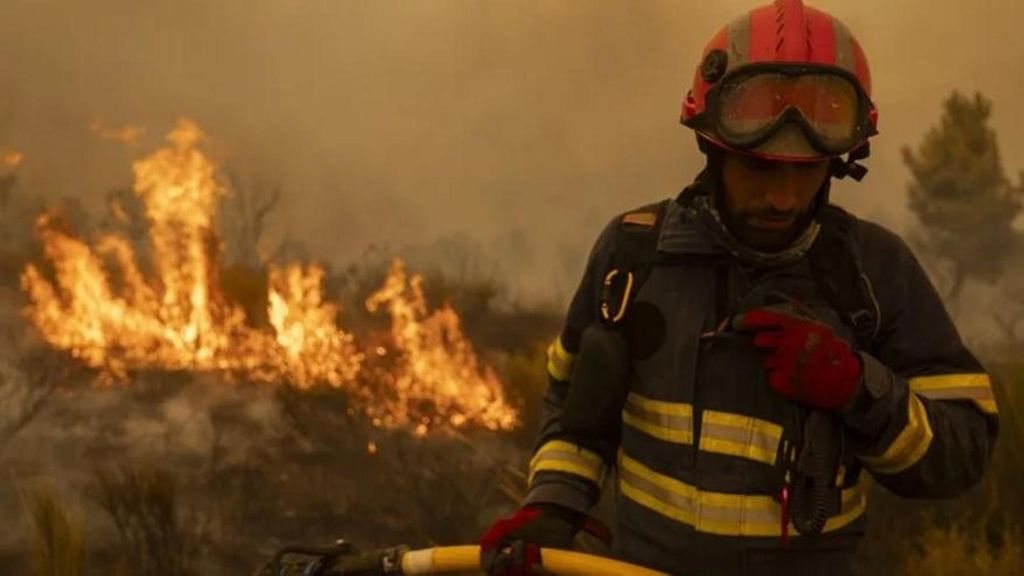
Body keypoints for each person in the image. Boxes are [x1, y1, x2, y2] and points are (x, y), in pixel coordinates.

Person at [478, 1, 1000, 575]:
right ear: (713, 149)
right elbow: (571, 405)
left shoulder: (875, 273)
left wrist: (858, 388)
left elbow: (962, 452)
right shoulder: (632, 258)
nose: (782, 198)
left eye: (806, 169)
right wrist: (554, 503)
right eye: (760, 168)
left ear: (838, 164)